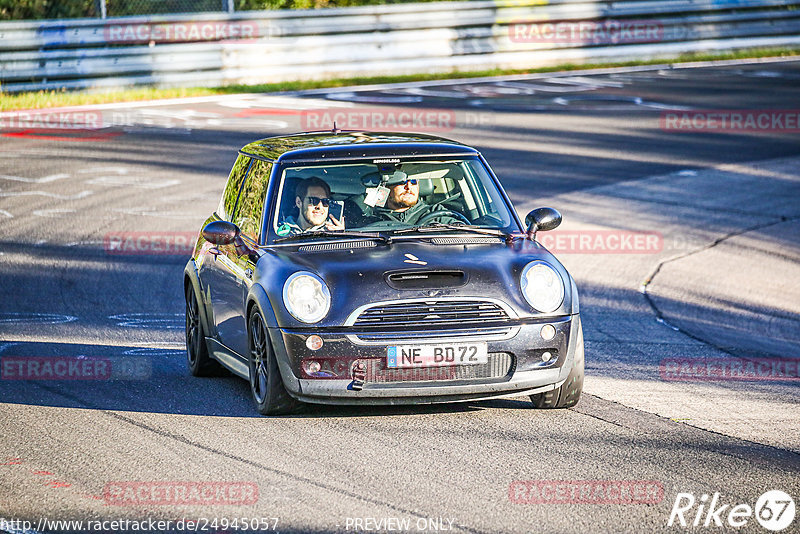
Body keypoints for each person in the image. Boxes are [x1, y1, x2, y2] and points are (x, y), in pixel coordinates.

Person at [372, 177, 460, 225]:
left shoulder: (436, 212)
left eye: (413, 181)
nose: (409, 187)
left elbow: (462, 231)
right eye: (402, 182)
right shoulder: (371, 218)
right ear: (386, 188)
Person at [277, 177, 344, 236]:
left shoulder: (332, 233)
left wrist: (340, 237)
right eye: (314, 200)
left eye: (325, 201)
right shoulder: (278, 231)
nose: (320, 206)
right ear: (298, 202)